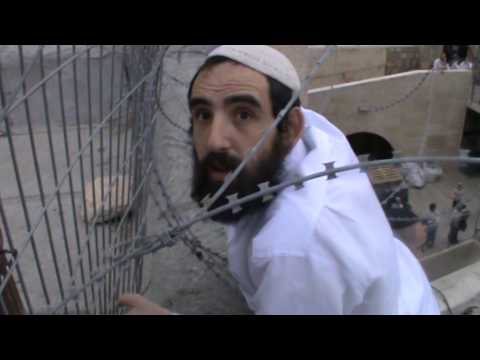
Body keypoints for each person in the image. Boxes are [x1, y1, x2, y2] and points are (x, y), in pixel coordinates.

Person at [119, 45, 440, 315]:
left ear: (289, 128)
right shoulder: (311, 134)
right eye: (203, 114)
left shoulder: (295, 250)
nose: (214, 140)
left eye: (243, 114)